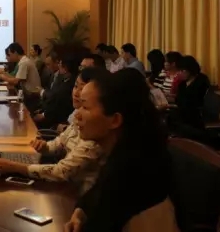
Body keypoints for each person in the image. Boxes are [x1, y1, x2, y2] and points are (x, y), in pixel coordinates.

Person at [64, 68, 175, 232]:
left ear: (115, 120)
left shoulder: (133, 171)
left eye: (85, 107)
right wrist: (80, 211)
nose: (77, 115)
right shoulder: (123, 152)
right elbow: (97, 191)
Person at [0, 68, 104, 194]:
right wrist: (45, 147)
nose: (76, 93)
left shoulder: (94, 134)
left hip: (74, 195)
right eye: (76, 86)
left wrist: (15, 167)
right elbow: (59, 143)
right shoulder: (79, 116)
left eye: (82, 89)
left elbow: (60, 172)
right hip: (63, 187)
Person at [33, 56, 79, 128]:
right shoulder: (62, 79)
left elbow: (59, 104)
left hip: (57, 119)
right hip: (49, 111)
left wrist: (44, 115)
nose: (58, 66)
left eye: (60, 64)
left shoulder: (70, 84)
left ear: (65, 68)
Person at [171, 55, 210, 134]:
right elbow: (179, 100)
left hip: (195, 114)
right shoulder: (182, 84)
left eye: (182, 70)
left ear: (190, 69)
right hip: (182, 111)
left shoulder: (201, 81)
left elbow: (195, 101)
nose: (180, 73)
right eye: (179, 71)